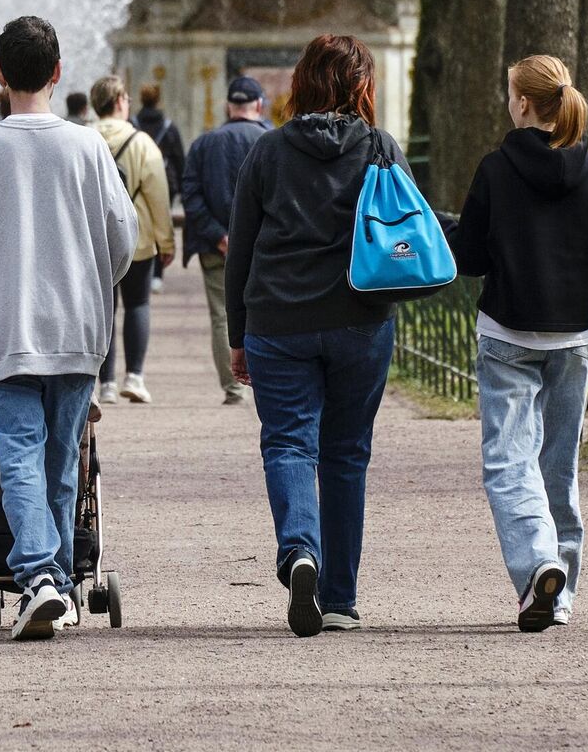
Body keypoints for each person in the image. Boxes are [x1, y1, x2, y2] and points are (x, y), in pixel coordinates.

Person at [0, 16, 135, 641]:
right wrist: (94, 281)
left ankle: (40, 578)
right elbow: (122, 240)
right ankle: (60, 581)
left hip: (3, 328)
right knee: (62, 458)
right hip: (75, 327)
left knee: (17, 454)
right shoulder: (88, 148)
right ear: (57, 72)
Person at [443, 54, 588, 633]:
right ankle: (561, 592)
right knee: (559, 464)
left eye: (510, 93)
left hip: (507, 335)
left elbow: (470, 258)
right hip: (573, 339)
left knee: (508, 461)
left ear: (524, 103)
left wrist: (448, 231)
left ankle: (538, 565)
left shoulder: (495, 169)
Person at [225, 34, 409, 638]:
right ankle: (339, 600)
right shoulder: (380, 148)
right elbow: (408, 227)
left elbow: (241, 249)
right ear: (362, 86)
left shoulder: (269, 152)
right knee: (346, 453)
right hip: (360, 318)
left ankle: (300, 549)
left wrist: (237, 334)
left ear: (301, 83)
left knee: (288, 444)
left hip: (278, 322)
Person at [181, 75, 270, 405]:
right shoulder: (270, 141)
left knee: (222, 316)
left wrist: (219, 236)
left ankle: (234, 387)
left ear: (228, 106)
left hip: (215, 246)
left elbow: (191, 196)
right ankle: (268, 383)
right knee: (267, 312)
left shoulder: (204, 144)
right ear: (259, 105)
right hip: (264, 247)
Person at [89, 75, 173, 405]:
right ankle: (134, 377)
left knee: (103, 310)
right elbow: (158, 197)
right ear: (120, 101)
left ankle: (106, 383)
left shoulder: (83, 137)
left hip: (93, 239)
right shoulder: (142, 143)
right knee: (137, 304)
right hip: (137, 236)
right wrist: (166, 242)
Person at [133, 85, 185, 295]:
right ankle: (156, 275)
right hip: (165, 182)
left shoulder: (133, 124)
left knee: (139, 224)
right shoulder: (168, 127)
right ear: (158, 100)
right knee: (160, 222)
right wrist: (182, 186)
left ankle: (137, 269)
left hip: (136, 182)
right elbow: (179, 158)